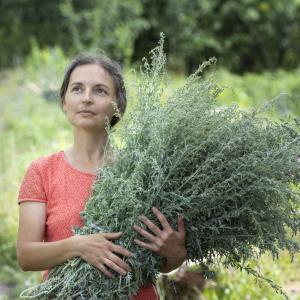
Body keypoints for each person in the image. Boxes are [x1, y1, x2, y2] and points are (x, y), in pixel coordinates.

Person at [16, 54, 187, 299]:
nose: (86, 98)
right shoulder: (42, 171)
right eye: (77, 89)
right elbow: (26, 255)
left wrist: (175, 254)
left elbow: (157, 263)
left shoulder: (145, 171)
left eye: (99, 91)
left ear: (118, 104)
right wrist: (78, 246)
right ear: (64, 101)